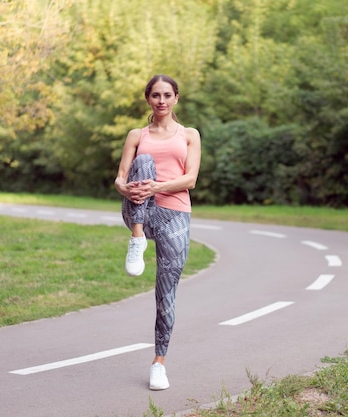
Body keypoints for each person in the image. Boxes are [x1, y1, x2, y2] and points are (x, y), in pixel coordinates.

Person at [114, 74, 201, 391]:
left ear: (176, 97)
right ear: (148, 99)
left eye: (167, 95)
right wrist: (129, 190)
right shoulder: (136, 135)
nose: (161, 100)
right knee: (146, 161)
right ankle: (136, 238)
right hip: (141, 210)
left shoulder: (190, 135)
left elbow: (190, 179)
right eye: (155, 95)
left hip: (175, 215)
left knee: (166, 297)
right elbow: (121, 178)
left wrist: (159, 186)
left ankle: (158, 364)